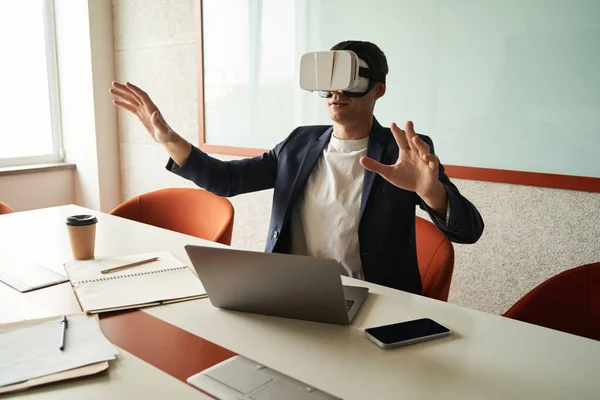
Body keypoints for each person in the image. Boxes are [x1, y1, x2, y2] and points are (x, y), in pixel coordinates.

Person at [110, 40, 484, 295]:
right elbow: (227, 180)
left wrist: (430, 191)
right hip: (290, 295)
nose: (337, 92)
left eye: (351, 81)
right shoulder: (300, 143)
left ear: (378, 89)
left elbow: (468, 232)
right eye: (330, 81)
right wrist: (169, 139)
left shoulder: (402, 152)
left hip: (374, 299)